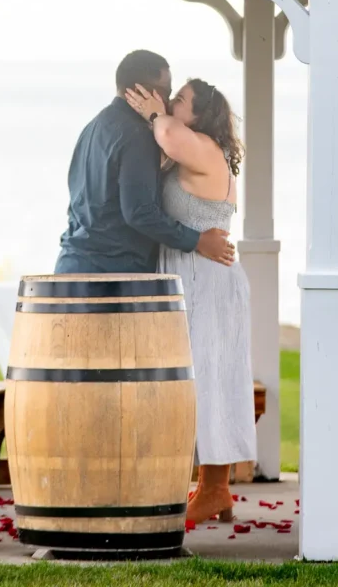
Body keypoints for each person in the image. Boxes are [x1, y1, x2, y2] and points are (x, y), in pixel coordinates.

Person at [126, 78, 257, 525]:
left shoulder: (201, 145)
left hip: (211, 283)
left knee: (213, 381)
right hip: (192, 278)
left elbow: (166, 132)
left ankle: (216, 488)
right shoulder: (189, 147)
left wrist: (150, 111)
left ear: (199, 115)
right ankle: (211, 486)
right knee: (196, 381)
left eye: (180, 99)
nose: (170, 103)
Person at [56, 50, 235, 275]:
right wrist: (197, 240)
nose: (167, 102)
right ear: (147, 92)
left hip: (72, 264)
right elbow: (140, 212)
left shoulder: (93, 127)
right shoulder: (137, 135)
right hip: (111, 274)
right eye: (167, 93)